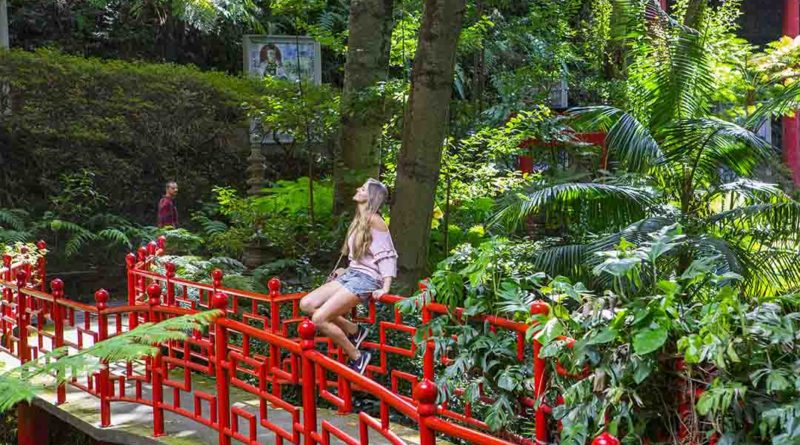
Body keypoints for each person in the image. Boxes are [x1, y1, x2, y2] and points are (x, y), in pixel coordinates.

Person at [299, 178, 397, 375]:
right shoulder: (358, 220)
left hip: (366, 279)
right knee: (306, 304)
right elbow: (358, 257)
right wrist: (345, 269)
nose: (357, 189)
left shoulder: (376, 221)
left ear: (370, 197)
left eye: (362, 189)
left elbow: (387, 254)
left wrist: (385, 287)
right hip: (352, 274)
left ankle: (358, 357)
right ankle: (354, 330)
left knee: (319, 319)